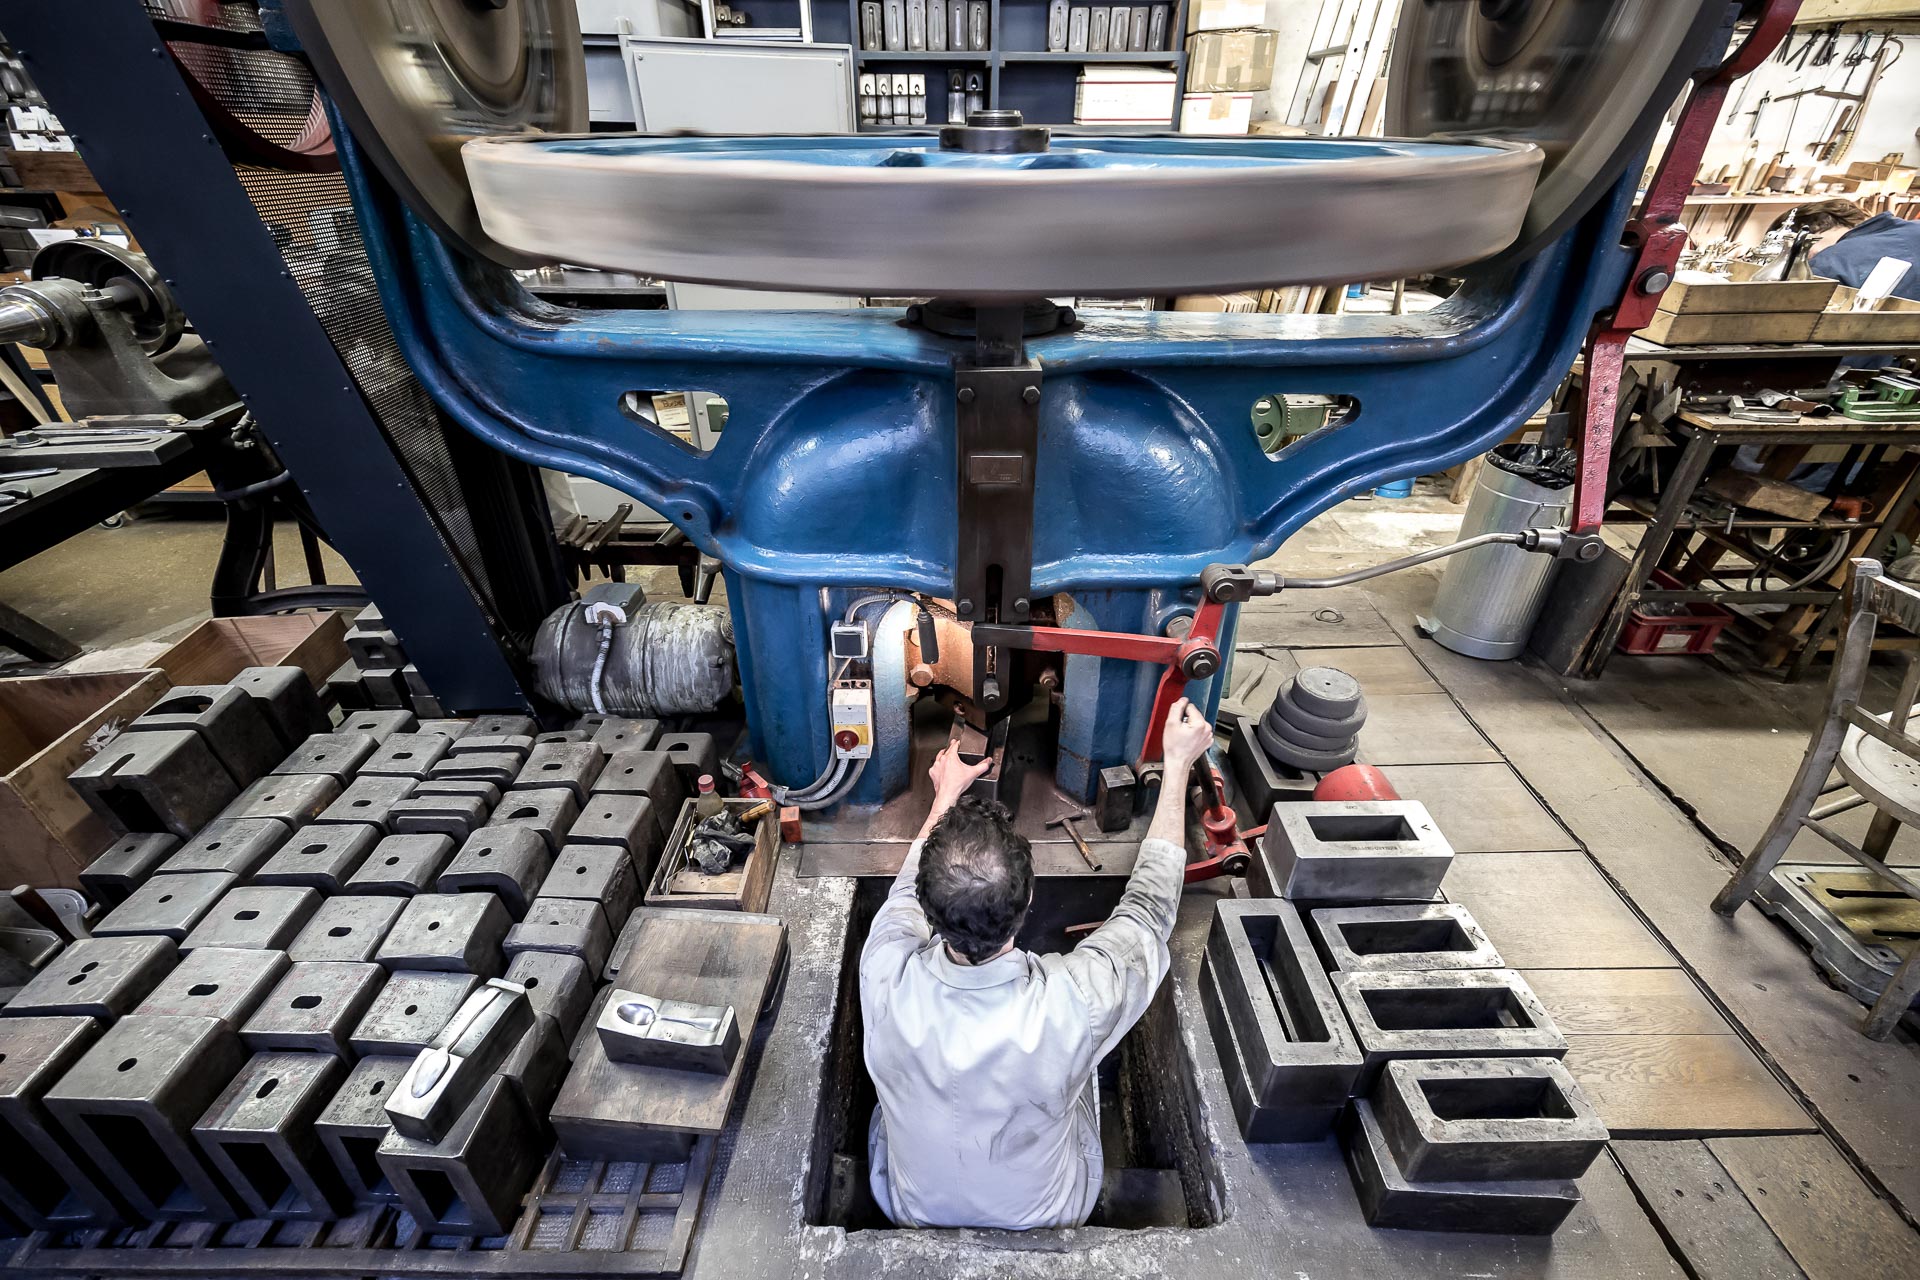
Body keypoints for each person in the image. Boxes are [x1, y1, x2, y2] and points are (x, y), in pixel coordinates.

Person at [858, 696, 1215, 1231]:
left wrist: (945, 797)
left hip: (911, 1207)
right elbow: (1147, 913)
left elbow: (903, 892)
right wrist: (1177, 768)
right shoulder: (1075, 1003)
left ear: (930, 914)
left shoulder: (882, 969)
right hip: (1047, 1213)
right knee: (1078, 1087)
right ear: (1028, 904)